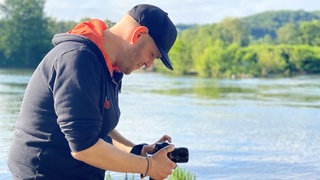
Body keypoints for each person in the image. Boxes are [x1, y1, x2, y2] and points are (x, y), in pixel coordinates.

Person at [8, 4, 178, 180]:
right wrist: (150, 167)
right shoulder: (78, 59)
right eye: (152, 54)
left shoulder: (107, 66)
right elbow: (84, 148)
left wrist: (137, 151)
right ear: (138, 34)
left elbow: (93, 126)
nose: (149, 64)